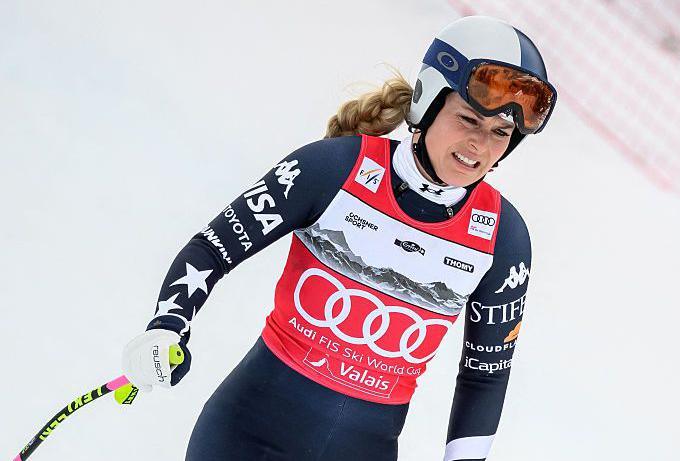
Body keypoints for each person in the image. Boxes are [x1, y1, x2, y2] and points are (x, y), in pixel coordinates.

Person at [121, 15, 556, 461]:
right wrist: (168, 325)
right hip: (244, 438)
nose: (480, 145)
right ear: (427, 104)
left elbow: (484, 377)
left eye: (501, 133)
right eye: (467, 119)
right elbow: (213, 249)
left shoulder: (503, 238)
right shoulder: (331, 170)